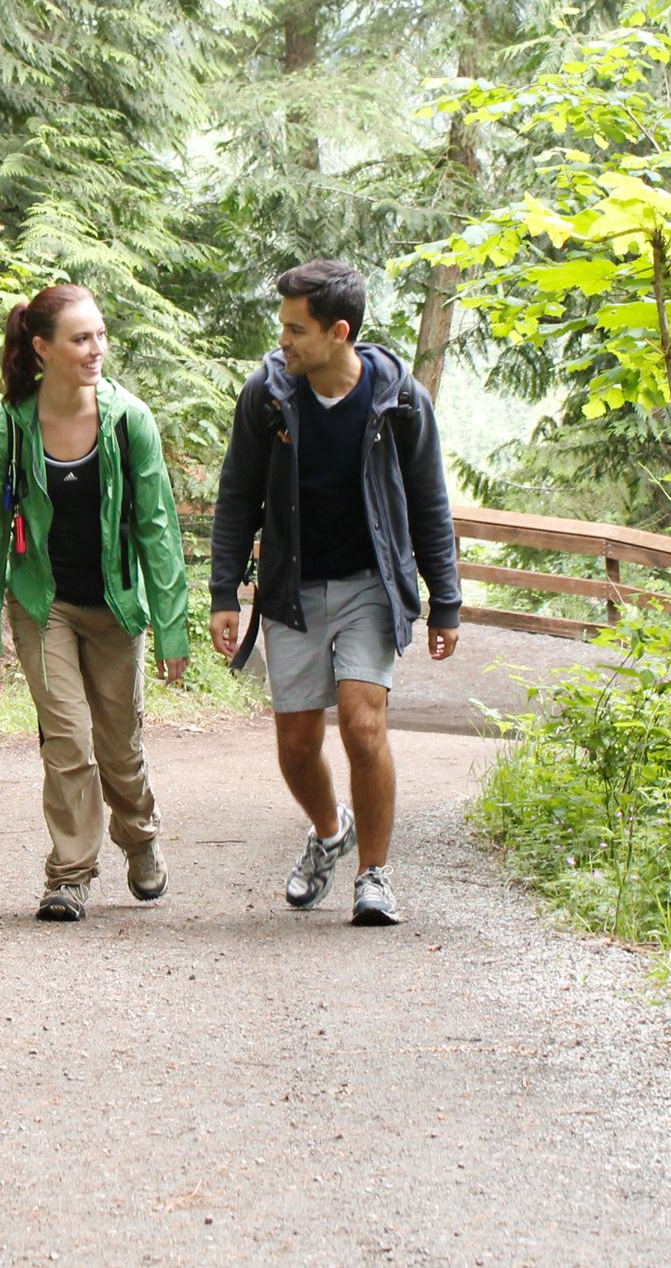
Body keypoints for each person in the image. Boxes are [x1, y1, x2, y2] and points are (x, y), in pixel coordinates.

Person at [207, 259, 462, 927]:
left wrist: (446, 600)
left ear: (338, 331)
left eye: (296, 328)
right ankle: (329, 831)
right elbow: (238, 493)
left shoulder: (398, 397)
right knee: (295, 744)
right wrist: (224, 592)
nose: (282, 340)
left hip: (369, 584)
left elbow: (430, 501)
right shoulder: (268, 394)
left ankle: (373, 874)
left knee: (361, 721)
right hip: (292, 586)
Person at [0, 284, 192, 923]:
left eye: (100, 335)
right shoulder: (5, 430)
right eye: (81, 338)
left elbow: (158, 530)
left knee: (120, 749)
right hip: (45, 606)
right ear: (43, 349)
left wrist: (173, 629)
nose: (97, 350)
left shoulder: (128, 422)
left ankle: (140, 837)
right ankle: (69, 876)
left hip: (117, 606)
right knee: (69, 742)